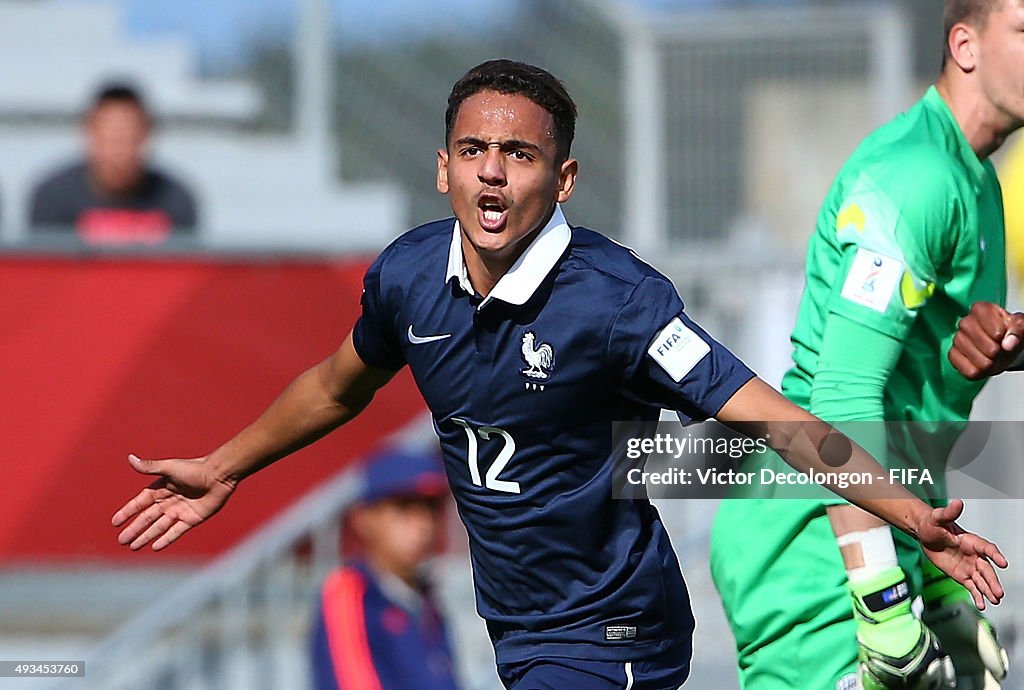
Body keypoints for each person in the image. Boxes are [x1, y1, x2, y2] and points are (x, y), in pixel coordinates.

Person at [111, 59, 1006, 690]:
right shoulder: (409, 276)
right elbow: (338, 384)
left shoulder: (618, 304)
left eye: (521, 155)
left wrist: (906, 513)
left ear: (564, 177)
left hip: (616, 626)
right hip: (519, 628)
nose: (493, 175)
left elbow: (774, 417)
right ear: (443, 167)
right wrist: (224, 465)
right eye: (472, 152)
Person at [711, 2, 1022, 689]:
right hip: (814, 545)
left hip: (874, 535)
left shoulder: (975, 180)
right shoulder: (917, 178)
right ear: (964, 45)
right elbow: (842, 394)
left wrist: (938, 595)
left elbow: (916, 406)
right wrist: (883, 606)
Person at [310, 447, 461, 690]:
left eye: (430, 508)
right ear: (364, 518)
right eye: (404, 508)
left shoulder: (427, 599)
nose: (422, 525)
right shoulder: (351, 591)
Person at [29, 82, 198, 244]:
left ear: (146, 135)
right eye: (113, 138)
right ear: (90, 133)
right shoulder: (53, 198)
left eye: (129, 137)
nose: (121, 150)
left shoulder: (175, 199)